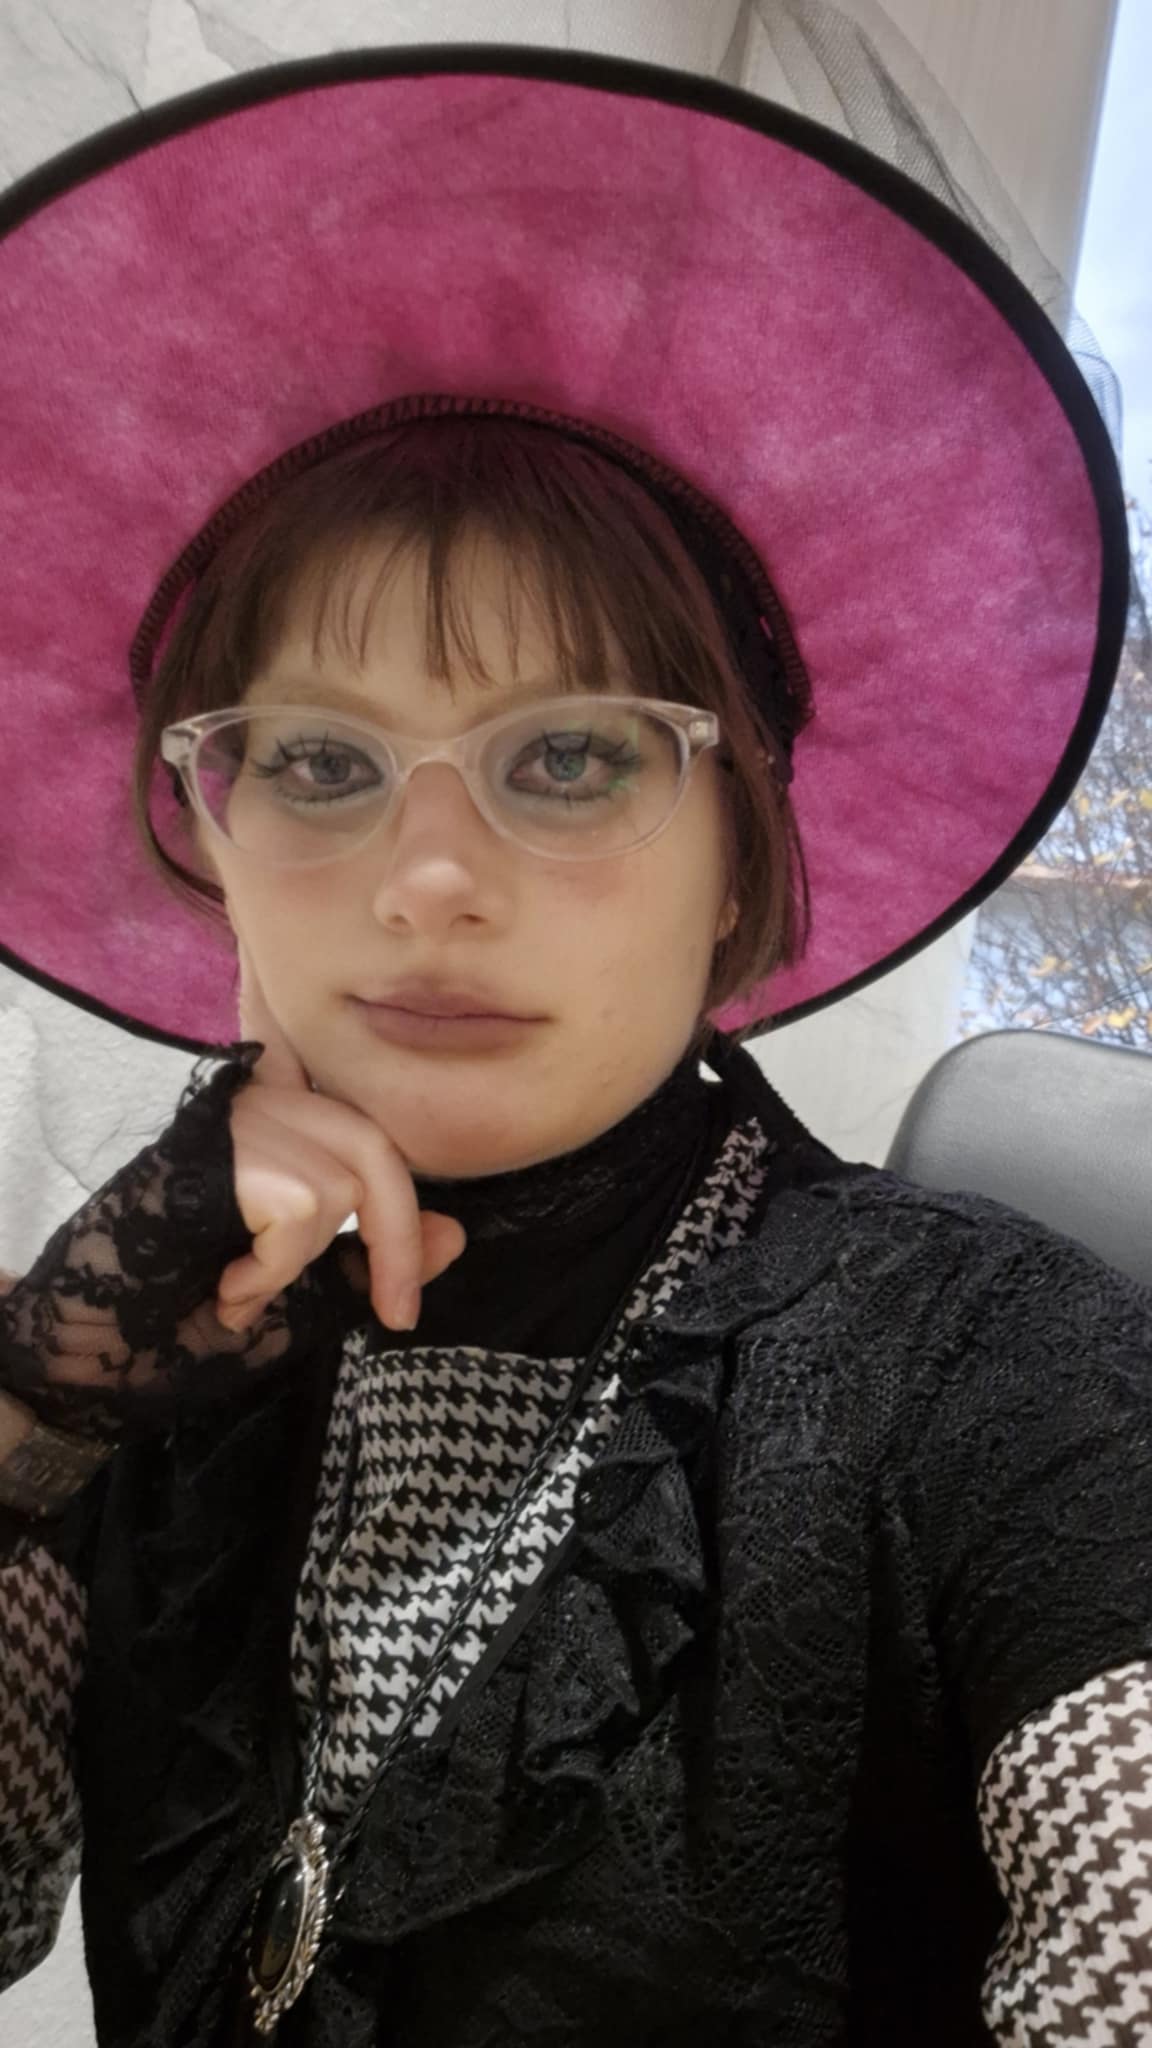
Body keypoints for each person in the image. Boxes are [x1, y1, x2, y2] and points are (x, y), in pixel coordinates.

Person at [0, 40, 1150, 2048]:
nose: (428, 882)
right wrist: (35, 1410)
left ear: (737, 855)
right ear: (214, 828)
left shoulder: (997, 1372)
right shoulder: (156, 1327)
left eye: (570, 758)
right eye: (322, 762)